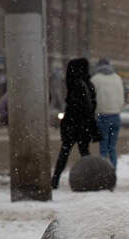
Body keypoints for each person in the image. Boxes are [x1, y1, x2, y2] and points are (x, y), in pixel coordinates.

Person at [51, 58, 100, 189]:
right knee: (84, 152)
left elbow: (76, 106)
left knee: (65, 152)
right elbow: (92, 105)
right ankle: (92, 178)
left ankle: (55, 180)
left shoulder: (74, 84)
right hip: (84, 125)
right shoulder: (88, 84)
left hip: (73, 124)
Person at [91, 58, 124, 170]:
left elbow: (92, 99)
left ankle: (104, 173)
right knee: (112, 147)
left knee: (103, 147)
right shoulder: (118, 78)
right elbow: (122, 98)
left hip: (102, 116)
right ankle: (113, 172)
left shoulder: (95, 79)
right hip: (115, 116)